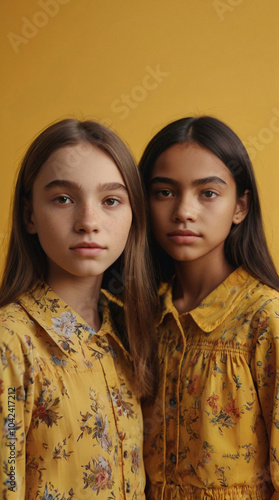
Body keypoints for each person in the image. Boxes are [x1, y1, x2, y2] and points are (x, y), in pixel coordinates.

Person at [0, 118, 158, 499]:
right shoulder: (10, 343)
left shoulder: (129, 330)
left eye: (111, 201)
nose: (89, 222)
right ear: (29, 216)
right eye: (63, 199)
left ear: (133, 214)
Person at [139, 116, 279, 499]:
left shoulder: (265, 318)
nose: (184, 210)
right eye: (164, 192)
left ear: (241, 206)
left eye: (208, 193)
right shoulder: (143, 319)